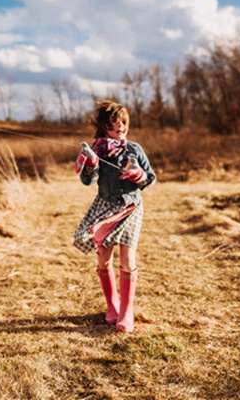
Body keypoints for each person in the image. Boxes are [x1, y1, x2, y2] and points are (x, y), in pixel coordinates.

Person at [73, 100, 156, 332]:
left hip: (131, 208)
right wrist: (90, 163)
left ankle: (126, 313)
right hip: (105, 208)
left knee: (128, 259)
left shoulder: (135, 149)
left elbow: (150, 178)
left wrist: (138, 174)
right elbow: (87, 180)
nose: (121, 125)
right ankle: (112, 306)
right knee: (103, 259)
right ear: (104, 125)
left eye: (124, 121)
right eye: (115, 121)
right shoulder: (96, 150)